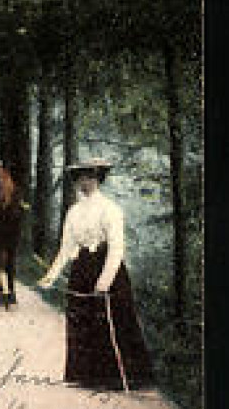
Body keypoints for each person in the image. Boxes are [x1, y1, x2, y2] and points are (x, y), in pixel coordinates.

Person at [36, 159, 154, 389]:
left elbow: (117, 248)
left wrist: (104, 281)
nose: (84, 182)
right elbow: (66, 248)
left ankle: (119, 378)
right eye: (80, 177)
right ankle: (87, 376)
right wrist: (50, 276)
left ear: (98, 179)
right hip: (82, 269)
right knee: (82, 320)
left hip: (107, 269)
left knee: (112, 321)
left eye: (89, 176)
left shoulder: (111, 209)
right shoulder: (74, 212)